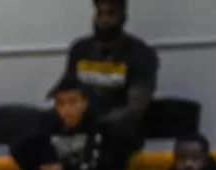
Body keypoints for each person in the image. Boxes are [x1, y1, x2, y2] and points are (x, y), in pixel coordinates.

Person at [58, 0, 157, 158]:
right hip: (82, 120)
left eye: (111, 14)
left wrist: (96, 123)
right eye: (100, 14)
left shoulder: (140, 54)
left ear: (123, 17)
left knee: (113, 133)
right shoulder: (81, 48)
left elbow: (135, 108)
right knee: (39, 126)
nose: (104, 20)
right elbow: (65, 87)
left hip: (118, 126)